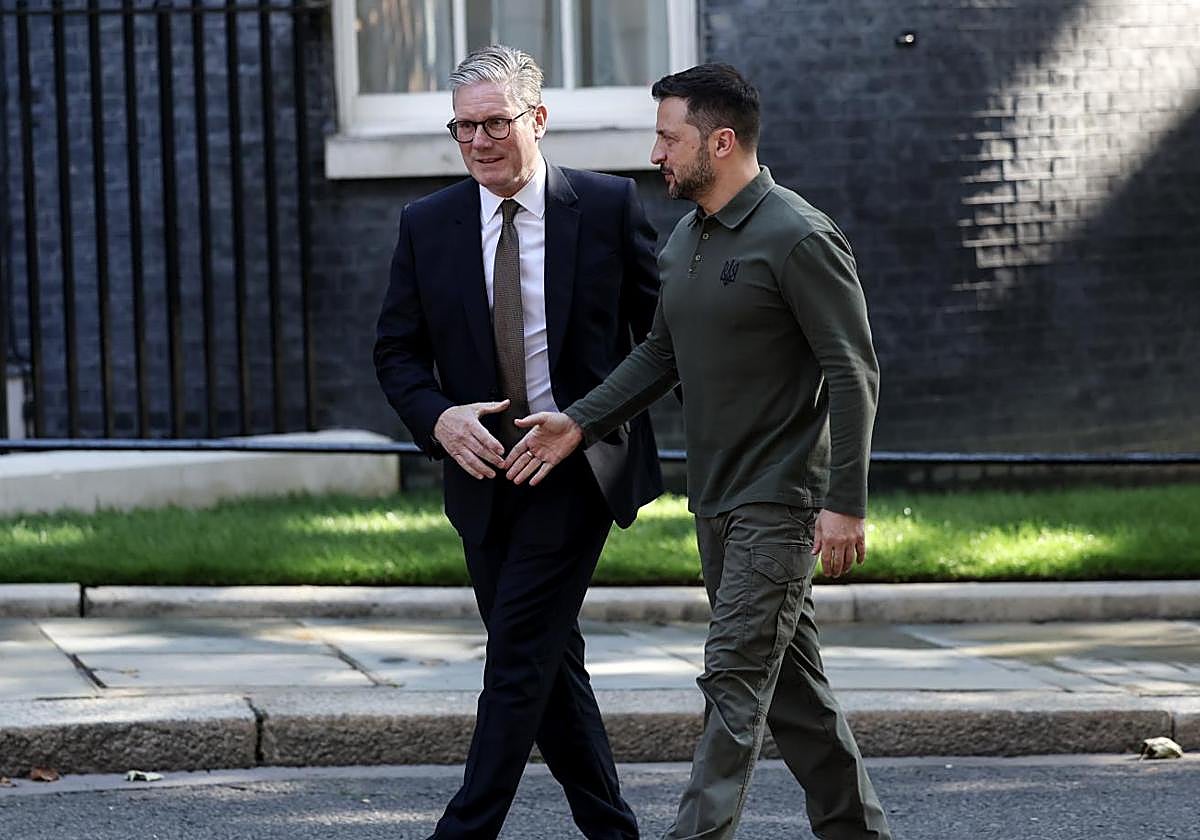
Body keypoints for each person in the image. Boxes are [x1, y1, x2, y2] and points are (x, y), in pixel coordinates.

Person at [505, 63, 893, 840]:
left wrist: (845, 501)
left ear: (719, 141)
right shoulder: (688, 235)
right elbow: (659, 355)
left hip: (777, 504)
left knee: (734, 685)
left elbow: (854, 373)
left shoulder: (798, 236)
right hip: (713, 502)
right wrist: (576, 423)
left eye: (667, 137)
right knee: (795, 698)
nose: (655, 153)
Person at [373, 44, 663, 840]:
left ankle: (462, 832)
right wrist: (438, 417)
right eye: (462, 127)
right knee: (542, 661)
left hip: (575, 469)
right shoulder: (427, 224)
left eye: (494, 122)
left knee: (514, 664)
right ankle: (613, 830)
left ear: (537, 118)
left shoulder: (604, 207)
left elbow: (662, 339)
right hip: (481, 473)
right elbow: (396, 351)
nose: (477, 142)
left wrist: (589, 420)